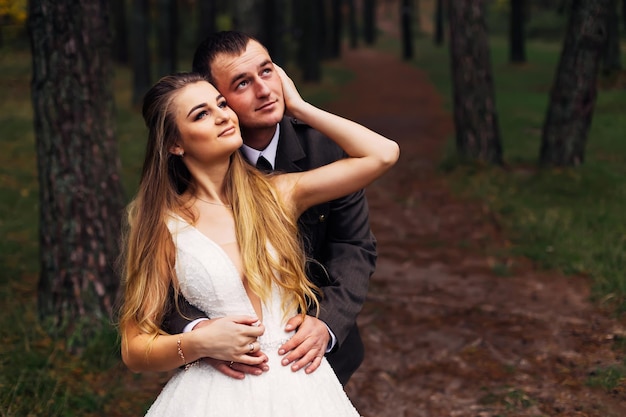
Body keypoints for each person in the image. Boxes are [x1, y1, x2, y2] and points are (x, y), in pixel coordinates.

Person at [118, 68, 398, 416]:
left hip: (303, 388)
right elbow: (133, 348)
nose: (223, 116)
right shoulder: (163, 227)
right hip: (214, 396)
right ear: (175, 143)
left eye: (221, 104)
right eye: (202, 114)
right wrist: (196, 343)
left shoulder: (279, 194)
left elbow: (383, 154)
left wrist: (299, 107)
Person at [161, 30, 378, 386]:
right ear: (218, 99)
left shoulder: (327, 149)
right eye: (242, 83)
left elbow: (354, 246)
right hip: (230, 367)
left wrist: (326, 323)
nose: (264, 90)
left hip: (316, 354)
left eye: (266, 72)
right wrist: (200, 332)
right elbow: (167, 284)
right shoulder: (191, 173)